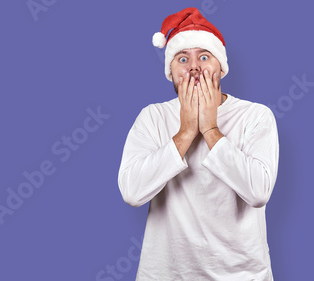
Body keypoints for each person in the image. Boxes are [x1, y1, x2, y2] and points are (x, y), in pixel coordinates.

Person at [118, 7, 279, 281]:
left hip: (242, 275)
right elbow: (132, 192)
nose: (194, 67)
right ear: (171, 70)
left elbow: (259, 192)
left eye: (204, 57)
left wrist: (210, 129)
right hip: (165, 275)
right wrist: (185, 133)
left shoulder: (256, 116)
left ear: (221, 67)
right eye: (183, 58)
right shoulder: (152, 117)